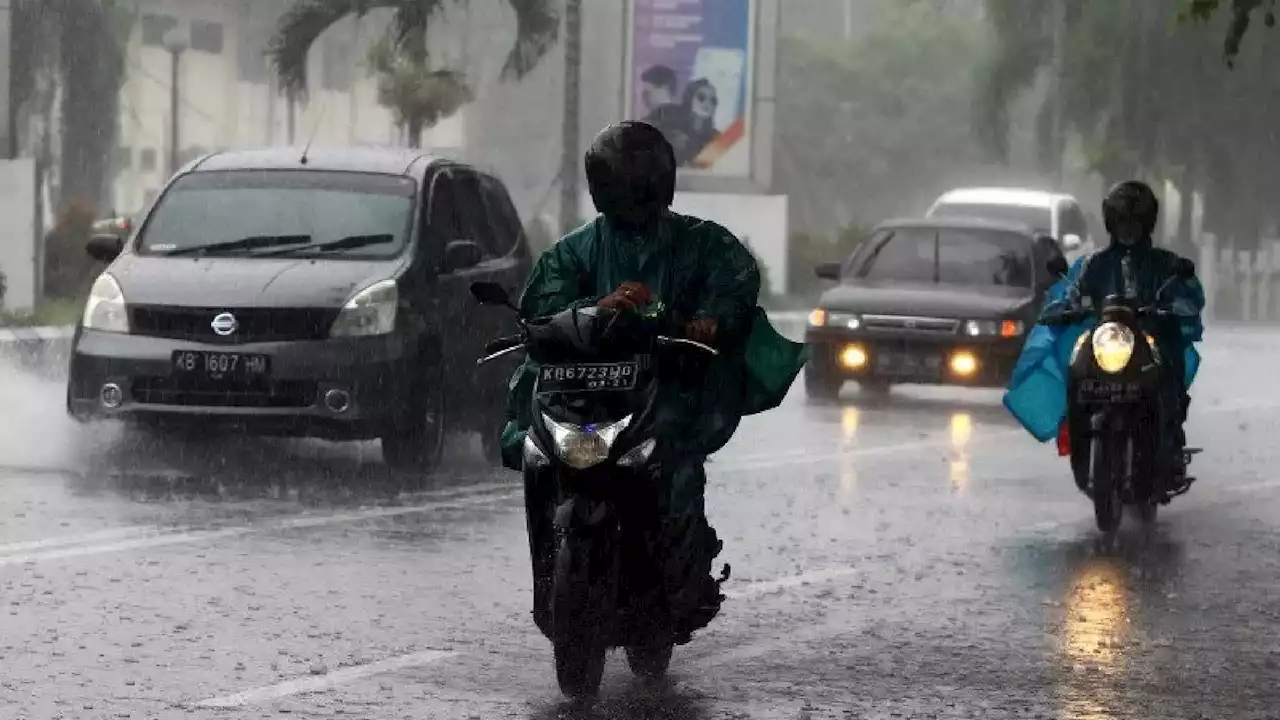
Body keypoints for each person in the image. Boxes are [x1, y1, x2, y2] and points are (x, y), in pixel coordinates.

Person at [499, 121, 807, 643]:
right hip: (583, 393)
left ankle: (681, 581)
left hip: (663, 388)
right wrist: (594, 310)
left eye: (636, 185)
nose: (628, 196)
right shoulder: (574, 252)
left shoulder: (700, 244)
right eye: (618, 185)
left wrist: (710, 319)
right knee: (533, 448)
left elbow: (733, 282)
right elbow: (542, 308)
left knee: (677, 470)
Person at [1042, 180, 1204, 485]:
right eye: (1121, 221)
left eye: (1135, 221)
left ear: (1147, 223)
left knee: (1169, 372)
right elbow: (1074, 295)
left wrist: (1177, 306)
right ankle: (1076, 436)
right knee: (1076, 367)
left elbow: (1190, 295)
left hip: (1149, 340)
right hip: (1107, 340)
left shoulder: (1166, 263)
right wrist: (1062, 307)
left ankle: (1169, 443)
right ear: (1110, 222)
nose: (1128, 228)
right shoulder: (1094, 264)